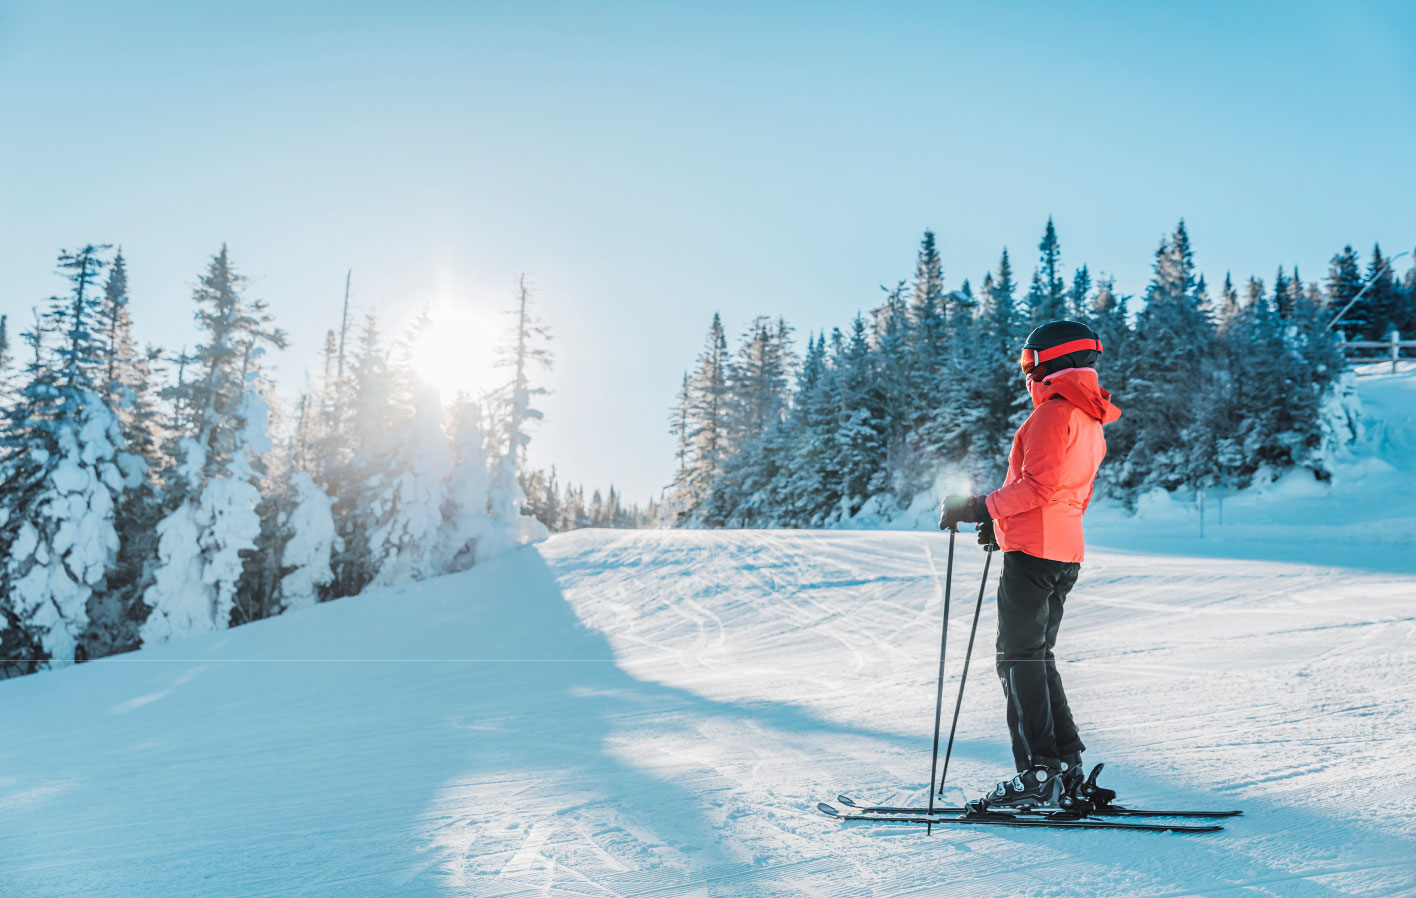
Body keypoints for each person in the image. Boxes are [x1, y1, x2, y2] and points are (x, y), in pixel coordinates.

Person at [939, 319, 1121, 812]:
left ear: (1053, 360)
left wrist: (978, 507)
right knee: (1038, 657)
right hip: (1063, 552)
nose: (1026, 371)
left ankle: (1038, 773)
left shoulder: (1051, 416)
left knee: (1017, 659)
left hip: (1035, 555)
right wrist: (1000, 525)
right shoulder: (1090, 419)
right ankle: (1067, 768)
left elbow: (1037, 488)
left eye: (1028, 361)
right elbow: (1065, 497)